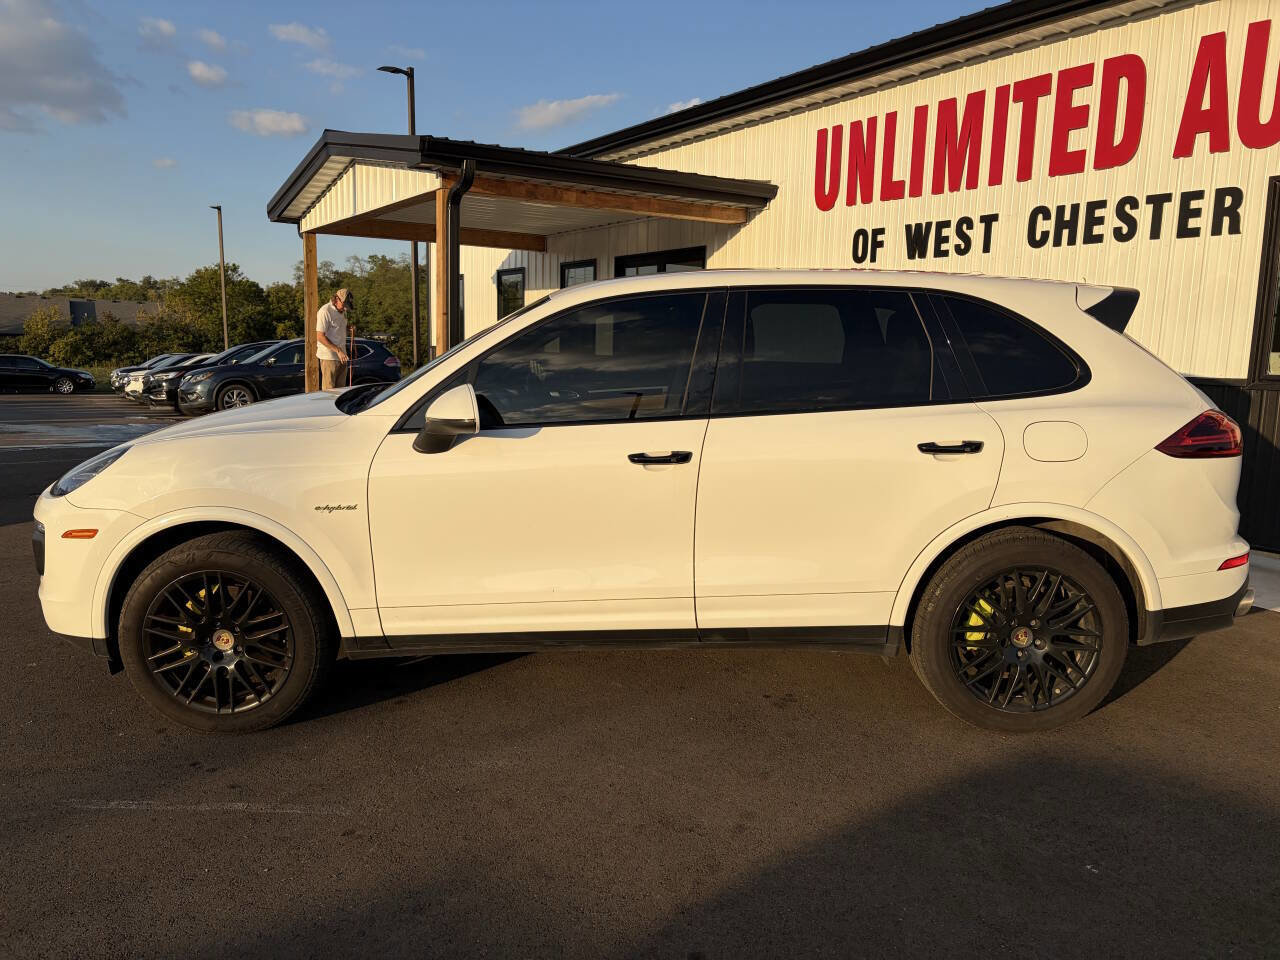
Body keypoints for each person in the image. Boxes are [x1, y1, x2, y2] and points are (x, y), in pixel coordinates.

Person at [316, 288, 352, 389]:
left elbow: (337, 327)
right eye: (344, 305)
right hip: (329, 357)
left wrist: (348, 328)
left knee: (341, 391)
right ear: (336, 299)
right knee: (330, 391)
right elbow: (320, 336)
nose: (345, 309)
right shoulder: (325, 311)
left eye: (347, 306)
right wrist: (338, 351)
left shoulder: (342, 311)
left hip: (342, 356)